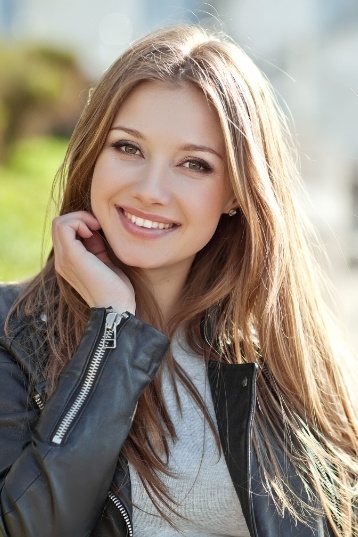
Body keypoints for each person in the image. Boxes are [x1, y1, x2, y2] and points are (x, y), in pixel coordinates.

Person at [0, 24, 357, 537]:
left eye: (194, 164)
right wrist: (113, 331)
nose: (150, 190)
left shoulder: (281, 360)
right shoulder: (13, 335)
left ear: (236, 192)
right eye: (128, 148)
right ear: (92, 155)